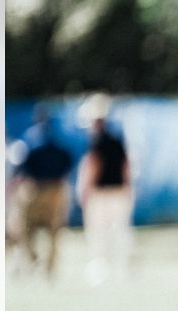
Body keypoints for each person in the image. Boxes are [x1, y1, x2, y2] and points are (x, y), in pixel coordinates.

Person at [6, 105, 75, 278]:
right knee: (54, 232)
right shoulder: (58, 137)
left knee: (26, 229)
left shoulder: (30, 137)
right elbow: (68, 161)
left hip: (34, 189)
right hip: (56, 190)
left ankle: (34, 261)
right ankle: (50, 267)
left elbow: (21, 166)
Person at [76, 93, 134, 285]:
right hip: (119, 192)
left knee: (98, 234)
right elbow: (127, 166)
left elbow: (94, 166)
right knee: (120, 232)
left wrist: (85, 189)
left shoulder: (97, 141)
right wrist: (128, 188)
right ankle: (123, 269)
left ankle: (101, 271)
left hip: (100, 194)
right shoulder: (118, 139)